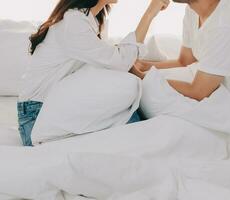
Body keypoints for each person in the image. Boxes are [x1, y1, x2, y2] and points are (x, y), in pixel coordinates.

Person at [17, 0, 170, 146]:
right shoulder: (74, 22)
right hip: (36, 117)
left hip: (51, 109)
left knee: (128, 112)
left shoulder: (88, 20)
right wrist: (150, 13)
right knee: (127, 109)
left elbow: (113, 61)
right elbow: (120, 61)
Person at [131, 0, 230, 132]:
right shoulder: (192, 11)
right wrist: (143, 66)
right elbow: (185, 62)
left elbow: (199, 91)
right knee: (146, 93)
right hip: (217, 94)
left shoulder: (225, 23)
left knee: (166, 125)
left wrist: (142, 76)